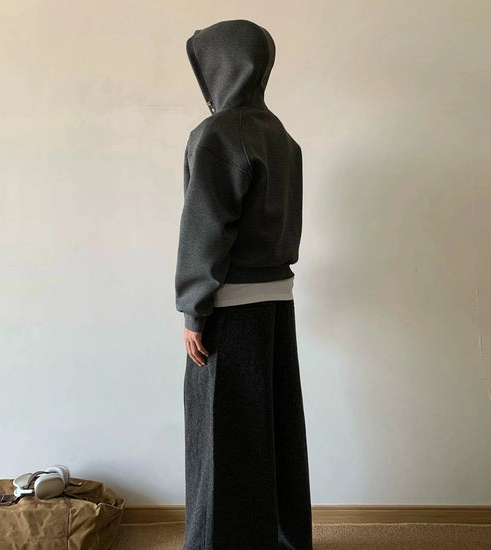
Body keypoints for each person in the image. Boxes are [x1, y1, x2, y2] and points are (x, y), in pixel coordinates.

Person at [175, 19, 313, 550]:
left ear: (220, 65)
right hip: (277, 303)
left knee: (221, 440)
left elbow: (205, 229)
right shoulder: (281, 135)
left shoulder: (216, 134)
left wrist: (195, 309)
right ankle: (281, 539)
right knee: (272, 433)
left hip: (229, 308)